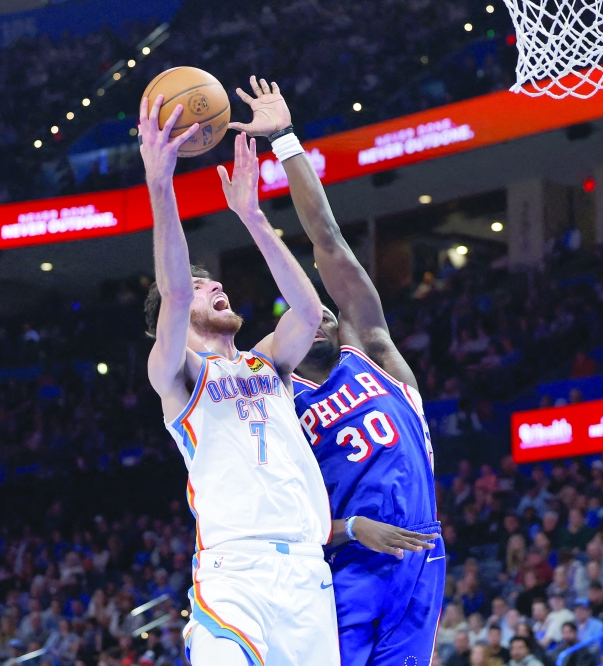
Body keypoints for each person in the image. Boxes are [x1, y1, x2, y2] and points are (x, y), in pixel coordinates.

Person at [229, 76, 443, 666]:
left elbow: (327, 238)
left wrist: (287, 142)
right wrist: (352, 529)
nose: (321, 316)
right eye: (307, 315)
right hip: (341, 567)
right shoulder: (276, 400)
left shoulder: (373, 352)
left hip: (421, 560)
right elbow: (282, 521)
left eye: (326, 311)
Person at [141, 95, 342, 666]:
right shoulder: (176, 376)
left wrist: (253, 216)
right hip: (236, 576)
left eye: (212, 284)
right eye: (203, 288)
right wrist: (161, 184)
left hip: (307, 574)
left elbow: (309, 313)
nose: (211, 288)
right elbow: (175, 290)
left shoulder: (265, 364)